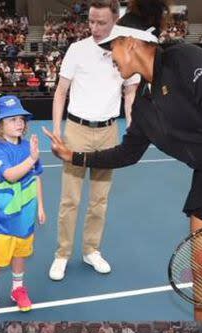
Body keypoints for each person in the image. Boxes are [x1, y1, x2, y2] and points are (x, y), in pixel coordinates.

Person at [44, 0, 202, 321]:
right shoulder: (145, 106)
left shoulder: (188, 60)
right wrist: (74, 156)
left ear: (131, 43)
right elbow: (128, 152)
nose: (110, 58)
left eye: (113, 49)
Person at [48, 0, 139, 282]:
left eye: (102, 22)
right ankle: (62, 254)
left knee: (99, 200)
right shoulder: (77, 50)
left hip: (108, 133)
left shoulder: (125, 50)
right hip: (76, 131)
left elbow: (130, 93)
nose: (95, 28)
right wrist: (57, 130)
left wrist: (132, 128)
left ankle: (91, 250)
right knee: (70, 199)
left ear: (115, 21)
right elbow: (61, 92)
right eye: (91, 22)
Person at [0, 95, 46, 315]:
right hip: (2, 216)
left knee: (20, 252)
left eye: (21, 119)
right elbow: (11, 175)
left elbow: (36, 178)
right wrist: (32, 159)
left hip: (26, 212)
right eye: (12, 119)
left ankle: (17, 289)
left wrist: (41, 206)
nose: (19, 123)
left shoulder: (27, 147)